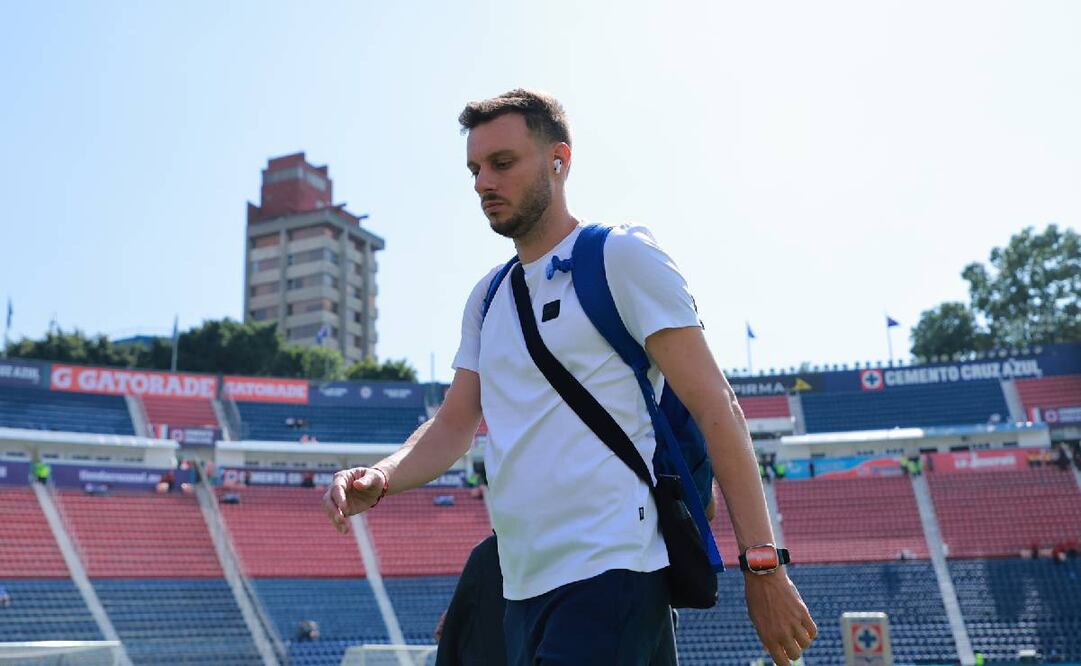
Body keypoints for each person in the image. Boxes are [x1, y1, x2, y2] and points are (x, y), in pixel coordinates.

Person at [323, 89, 816, 665]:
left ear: (559, 160)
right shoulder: (488, 296)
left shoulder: (621, 255)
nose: (484, 183)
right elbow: (455, 424)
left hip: (613, 568)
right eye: (475, 170)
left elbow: (716, 406)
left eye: (502, 163)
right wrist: (383, 476)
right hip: (521, 584)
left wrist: (763, 566)